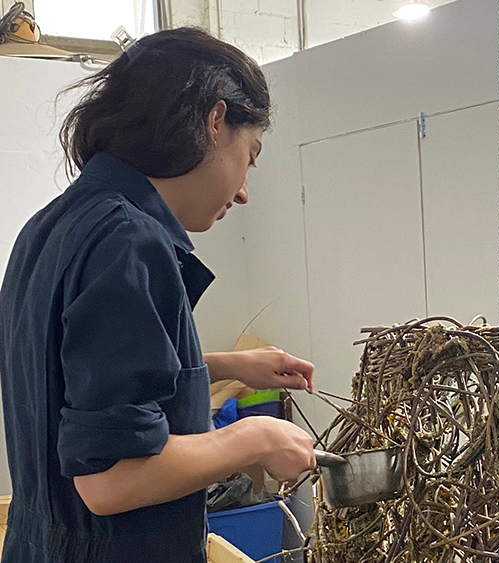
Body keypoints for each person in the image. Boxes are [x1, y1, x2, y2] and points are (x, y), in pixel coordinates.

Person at [0, 28, 317, 562]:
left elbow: (84, 379)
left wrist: (223, 366)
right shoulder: (128, 241)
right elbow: (110, 480)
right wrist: (256, 438)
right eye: (251, 155)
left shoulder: (51, 226)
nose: (242, 191)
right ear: (215, 123)